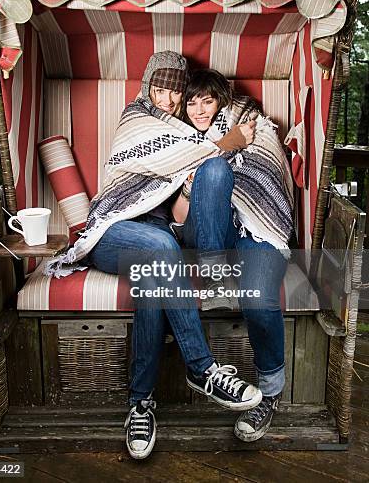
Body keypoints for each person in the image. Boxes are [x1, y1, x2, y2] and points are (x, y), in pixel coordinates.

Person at [85, 52, 261, 460]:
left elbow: (213, 142)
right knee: (162, 248)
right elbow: (169, 156)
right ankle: (203, 369)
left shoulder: (186, 130)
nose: (166, 100)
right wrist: (224, 143)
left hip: (155, 239)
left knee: (154, 277)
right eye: (159, 90)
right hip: (112, 231)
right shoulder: (137, 118)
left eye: (174, 92)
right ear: (148, 88)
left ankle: (140, 404)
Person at [173, 68, 292, 443]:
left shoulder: (252, 126)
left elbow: (268, 170)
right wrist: (194, 186)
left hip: (257, 227)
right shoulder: (179, 142)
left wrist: (228, 148)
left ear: (221, 101)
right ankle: (215, 278)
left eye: (206, 101)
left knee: (258, 299)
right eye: (191, 103)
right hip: (209, 234)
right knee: (211, 169)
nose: (199, 110)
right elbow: (177, 217)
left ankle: (269, 393)